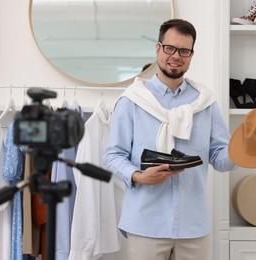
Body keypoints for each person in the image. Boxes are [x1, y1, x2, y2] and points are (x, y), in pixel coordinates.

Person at [103, 18, 236, 260]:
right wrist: (138, 176)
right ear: (158, 49)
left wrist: (245, 150)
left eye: (184, 50)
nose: (176, 56)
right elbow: (112, 155)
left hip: (193, 225)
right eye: (170, 48)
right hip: (145, 223)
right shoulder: (132, 100)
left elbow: (219, 157)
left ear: (191, 55)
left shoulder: (205, 102)